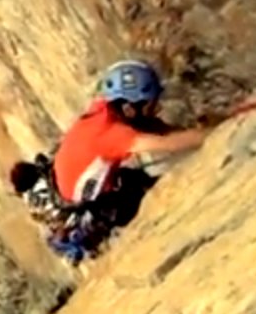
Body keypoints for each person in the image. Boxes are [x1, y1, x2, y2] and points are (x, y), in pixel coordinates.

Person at [51, 59, 215, 211]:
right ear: (129, 108)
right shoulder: (114, 134)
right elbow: (169, 143)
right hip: (83, 206)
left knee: (133, 178)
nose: (156, 110)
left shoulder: (102, 110)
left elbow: (154, 127)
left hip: (64, 188)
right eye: (150, 106)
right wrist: (215, 132)